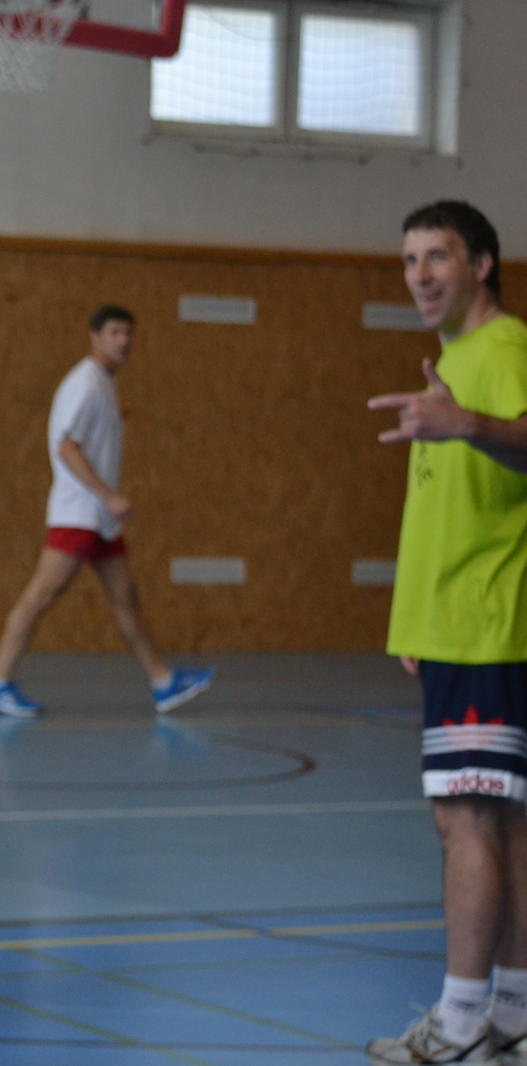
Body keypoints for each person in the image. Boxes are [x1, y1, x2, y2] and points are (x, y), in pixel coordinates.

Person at [365, 201, 527, 1065]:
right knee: (499, 820)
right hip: (453, 625)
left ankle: (461, 1022)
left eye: (437, 256)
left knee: (465, 817)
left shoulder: (505, 351)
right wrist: (414, 617)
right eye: (409, 259)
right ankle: (513, 1012)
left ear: (482, 265)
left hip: (485, 623)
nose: (419, 275)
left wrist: (468, 423)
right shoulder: (458, 359)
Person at [0, 305, 213, 718]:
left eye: (128, 333)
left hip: (100, 520)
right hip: (79, 514)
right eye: (114, 332)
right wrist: (108, 496)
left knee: (125, 597)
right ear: (95, 336)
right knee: (41, 595)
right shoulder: (85, 384)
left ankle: (163, 681)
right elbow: (66, 446)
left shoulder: (103, 384)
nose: (123, 341)